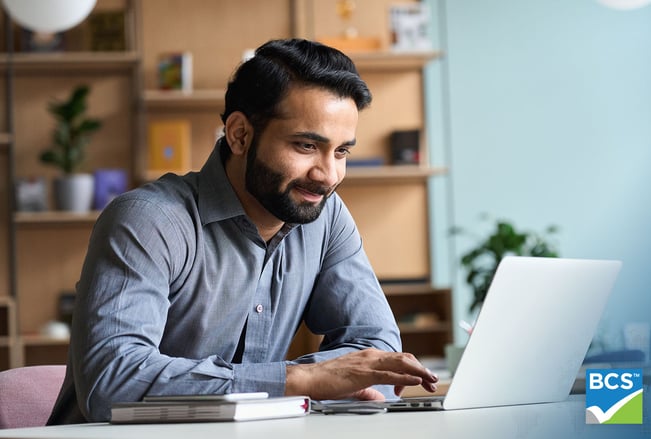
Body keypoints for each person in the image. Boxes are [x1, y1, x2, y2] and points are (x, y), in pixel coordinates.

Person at [48, 38, 438, 424]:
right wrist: (301, 379)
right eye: (305, 146)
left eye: (341, 152)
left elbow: (378, 349)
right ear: (239, 135)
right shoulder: (148, 221)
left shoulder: (326, 216)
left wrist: (319, 381)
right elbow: (113, 383)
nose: (328, 175)